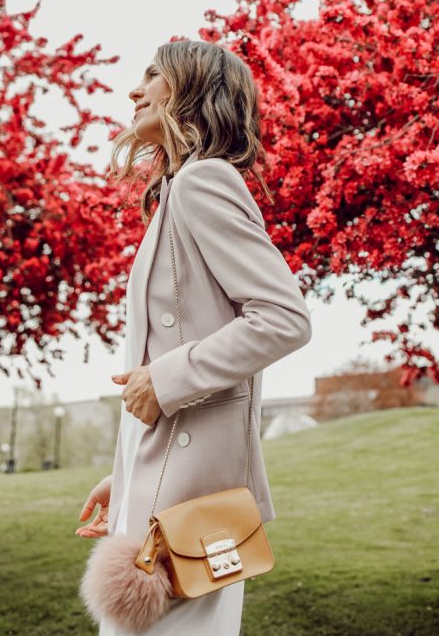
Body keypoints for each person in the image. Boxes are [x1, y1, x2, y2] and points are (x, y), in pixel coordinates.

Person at [76, 39, 312, 635]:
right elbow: (172, 355)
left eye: (152, 74)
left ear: (191, 91)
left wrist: (167, 378)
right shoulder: (181, 190)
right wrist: (124, 472)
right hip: (167, 491)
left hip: (185, 507)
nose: (134, 90)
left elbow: (283, 317)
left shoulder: (203, 182)